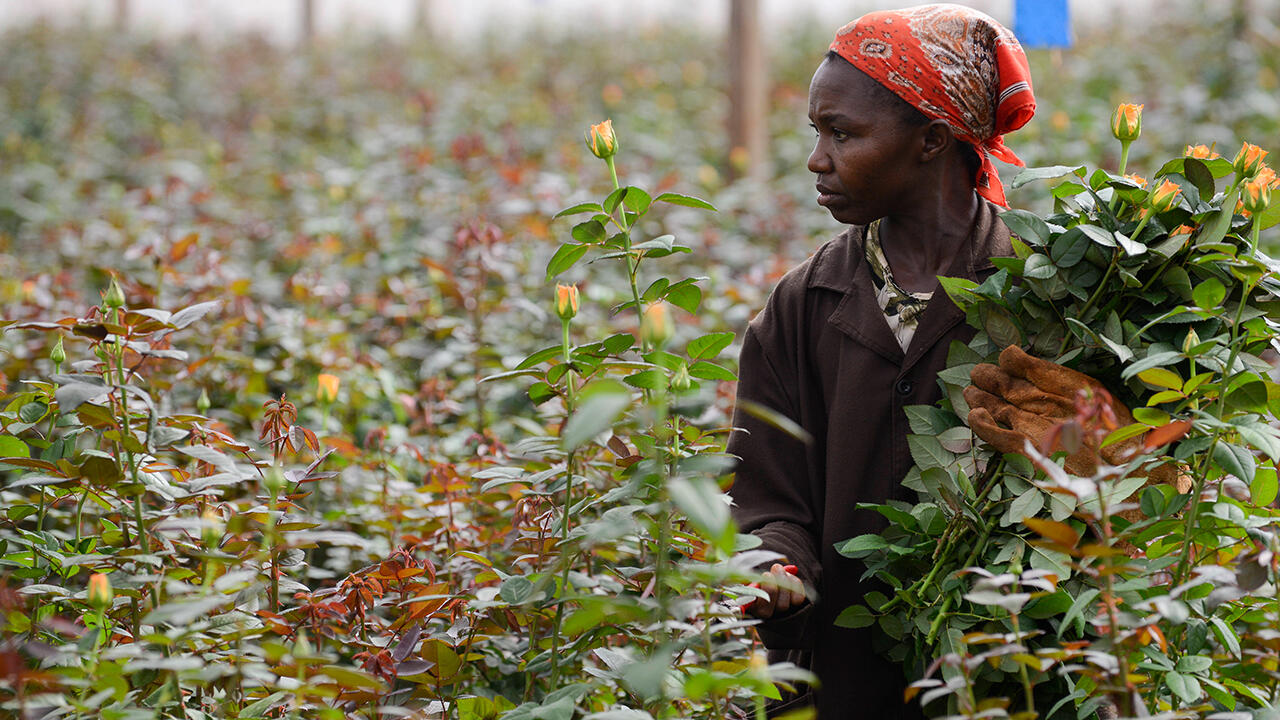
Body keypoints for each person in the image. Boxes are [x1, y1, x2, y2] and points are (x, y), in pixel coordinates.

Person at [727, 5, 1038, 718]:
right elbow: (767, 495)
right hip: (840, 680)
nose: (817, 158)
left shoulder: (1038, 297)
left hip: (1005, 678)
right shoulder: (805, 304)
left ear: (932, 140)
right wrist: (771, 564)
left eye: (842, 132)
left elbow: (1106, 488)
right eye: (817, 131)